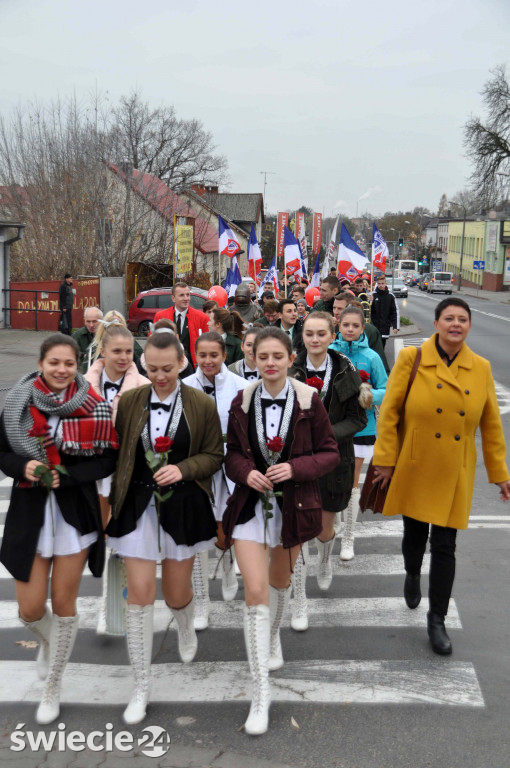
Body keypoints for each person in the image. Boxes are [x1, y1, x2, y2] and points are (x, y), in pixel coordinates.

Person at [373, 298, 510, 655]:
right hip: (416, 461)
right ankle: (412, 572)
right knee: (415, 535)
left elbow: (492, 426)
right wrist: (385, 460)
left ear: (468, 326)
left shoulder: (480, 368)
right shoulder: (412, 359)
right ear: (436, 324)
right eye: (448, 318)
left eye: (462, 319)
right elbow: (389, 413)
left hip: (455, 467)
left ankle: (437, 620)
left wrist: (500, 474)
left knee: (446, 547)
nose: (455, 324)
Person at [223, 327, 340, 735]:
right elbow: (232, 454)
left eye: (278, 356)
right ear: (253, 359)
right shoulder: (242, 400)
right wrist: (247, 472)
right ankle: (260, 693)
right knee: (254, 594)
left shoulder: (309, 401)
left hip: (293, 508)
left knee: (279, 585)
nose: (269, 363)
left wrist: (296, 467)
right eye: (262, 356)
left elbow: (330, 453)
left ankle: (272, 637)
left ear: (291, 359)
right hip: (250, 509)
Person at [0, 333, 118, 724]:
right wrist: (23, 467)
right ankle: (48, 639)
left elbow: (106, 461)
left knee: (64, 604)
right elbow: (2, 452)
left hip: (74, 516)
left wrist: (65, 476)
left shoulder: (94, 405)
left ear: (76, 365)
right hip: (29, 514)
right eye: (54, 363)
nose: (61, 370)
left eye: (68, 363)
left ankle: (53, 684)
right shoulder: (17, 401)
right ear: (41, 362)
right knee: (31, 610)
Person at [106, 331, 223, 724]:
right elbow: (119, 452)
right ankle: (141, 686)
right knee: (138, 598)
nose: (159, 376)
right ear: (143, 366)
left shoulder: (201, 404)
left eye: (167, 369)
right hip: (138, 507)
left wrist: (184, 469)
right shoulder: (132, 402)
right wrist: (107, 501)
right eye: (152, 369)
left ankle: (185, 623)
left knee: (176, 595)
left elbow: (214, 455)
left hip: (183, 507)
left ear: (183, 364)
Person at [288, 312, 366, 629]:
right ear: (303, 336)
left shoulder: (346, 372)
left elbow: (358, 420)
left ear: (332, 335)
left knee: (323, 528)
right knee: (294, 533)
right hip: (297, 460)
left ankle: (324, 558)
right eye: (310, 333)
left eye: (321, 333)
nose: (316, 339)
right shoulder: (290, 368)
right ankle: (298, 599)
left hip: (334, 460)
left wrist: (326, 433)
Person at [184, 332, 247, 626]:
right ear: (196, 356)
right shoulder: (184, 387)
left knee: (225, 529)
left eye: (214, 355)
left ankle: (227, 564)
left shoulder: (241, 387)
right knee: (198, 537)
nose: (208, 361)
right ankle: (201, 603)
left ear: (224, 356)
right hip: (199, 469)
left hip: (230, 469)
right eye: (203, 355)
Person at [329, 306, 388, 559]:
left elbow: (387, 389)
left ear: (363, 328)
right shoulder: (331, 353)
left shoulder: (372, 357)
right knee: (331, 475)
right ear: (338, 327)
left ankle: (348, 538)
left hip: (363, 425)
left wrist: (368, 394)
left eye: (355, 326)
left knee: (352, 479)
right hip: (332, 425)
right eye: (346, 325)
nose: (350, 330)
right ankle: (334, 522)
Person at [153, 281, 210, 369]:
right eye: (181, 295)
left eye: (188, 295)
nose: (186, 298)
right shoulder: (161, 317)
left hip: (193, 368)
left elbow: (207, 345)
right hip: (168, 367)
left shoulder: (202, 318)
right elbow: (153, 343)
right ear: (173, 298)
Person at [333, 293, 390, 374]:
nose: (336, 312)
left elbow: (382, 368)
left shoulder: (370, 331)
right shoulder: (330, 327)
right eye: (334, 308)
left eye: (340, 309)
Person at [370, 273, 400, 347]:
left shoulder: (390, 296)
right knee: (374, 344)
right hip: (374, 325)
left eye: (382, 283)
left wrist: (395, 326)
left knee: (382, 344)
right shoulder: (372, 295)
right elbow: (368, 310)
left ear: (385, 284)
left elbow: (395, 312)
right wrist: (370, 301)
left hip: (385, 325)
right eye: (379, 283)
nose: (381, 285)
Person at [72, 306, 103, 373]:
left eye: (94, 321)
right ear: (84, 321)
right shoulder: (77, 336)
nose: (91, 325)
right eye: (88, 322)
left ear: (101, 321)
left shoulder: (108, 335)